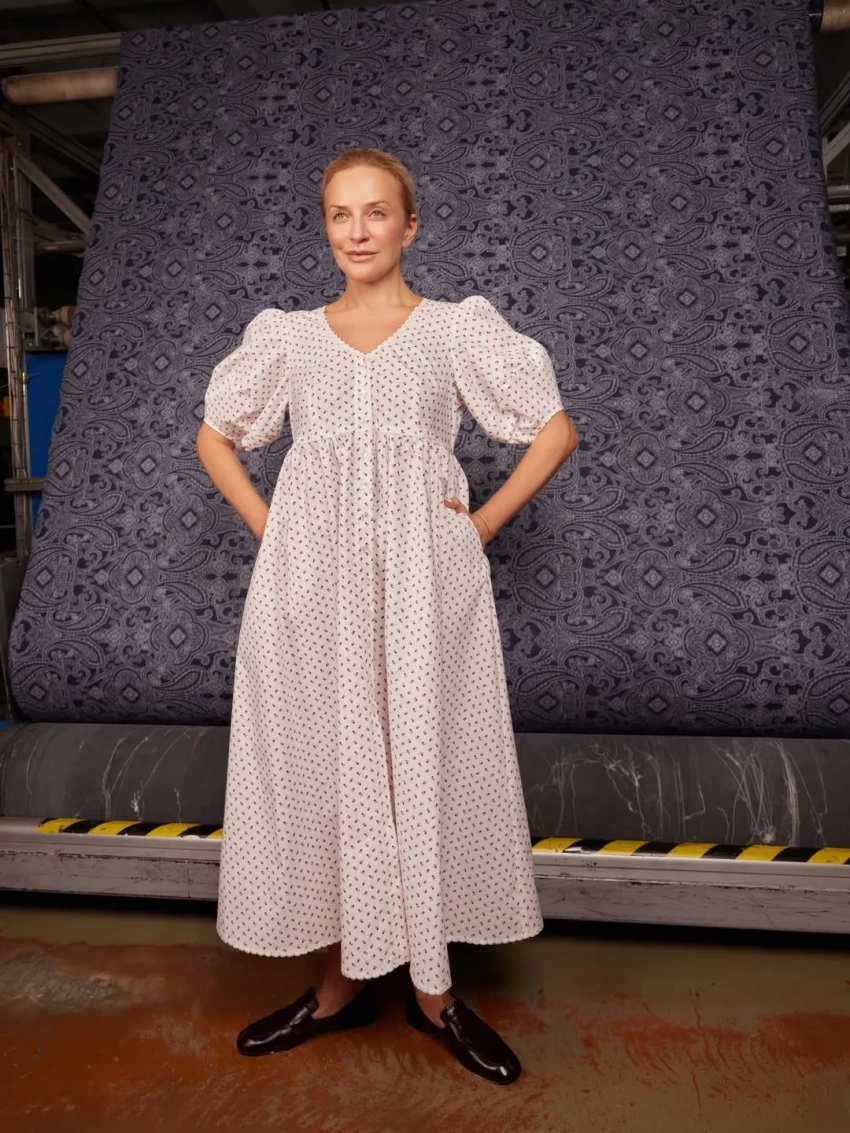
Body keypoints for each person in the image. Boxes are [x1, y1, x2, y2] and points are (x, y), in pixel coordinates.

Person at [196, 146, 579, 1085]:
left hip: (422, 589)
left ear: (410, 225)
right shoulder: (290, 337)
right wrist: (275, 529)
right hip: (310, 591)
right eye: (340, 214)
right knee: (330, 766)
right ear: (325, 227)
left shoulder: (453, 329)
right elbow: (215, 437)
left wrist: (481, 523)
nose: (358, 231)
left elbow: (554, 427)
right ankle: (340, 984)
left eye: (376, 213)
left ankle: (435, 991)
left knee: (426, 757)